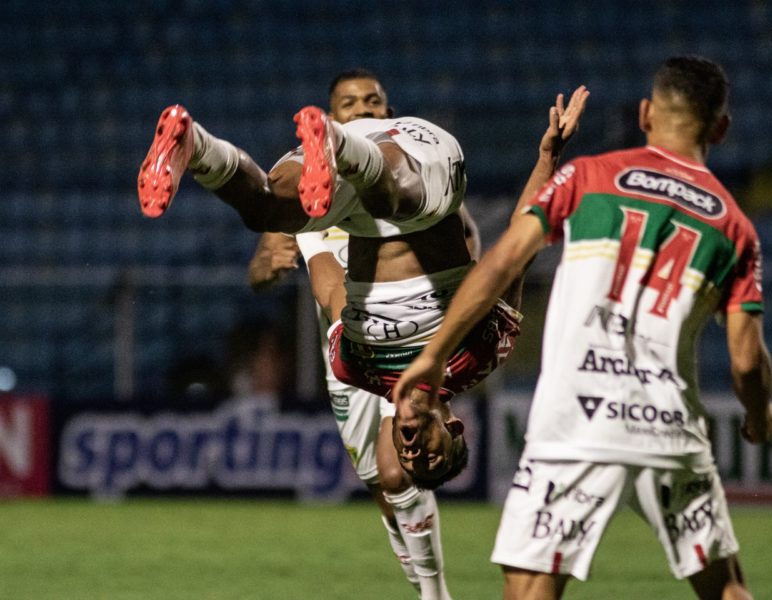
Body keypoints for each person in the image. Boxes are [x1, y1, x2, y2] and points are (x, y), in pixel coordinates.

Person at [393, 55, 772, 599]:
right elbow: (746, 360)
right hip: (668, 424)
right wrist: (760, 416)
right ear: (721, 129)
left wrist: (435, 354)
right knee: (725, 587)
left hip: (577, 420)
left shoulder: (589, 176)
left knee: (531, 586)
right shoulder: (734, 227)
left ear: (646, 114)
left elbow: (502, 264)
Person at [137, 67, 587, 493]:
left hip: (347, 184)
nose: (414, 453)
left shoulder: (356, 368)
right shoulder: (480, 357)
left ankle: (193, 144)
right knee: (394, 200)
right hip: (419, 163)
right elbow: (518, 250)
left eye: (410, 460)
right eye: (433, 456)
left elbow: (332, 291)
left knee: (267, 209)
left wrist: (306, 236)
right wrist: (548, 157)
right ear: (454, 427)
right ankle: (336, 144)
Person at [244, 68, 461, 600]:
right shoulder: (305, 187)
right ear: (332, 117)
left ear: (388, 113)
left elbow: (461, 240)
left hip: (405, 341)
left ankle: (436, 595)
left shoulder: (411, 171)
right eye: (349, 103)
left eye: (372, 101)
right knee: (382, 485)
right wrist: (268, 266)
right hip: (345, 356)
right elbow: (262, 270)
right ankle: (422, 583)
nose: (363, 108)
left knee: (397, 471)